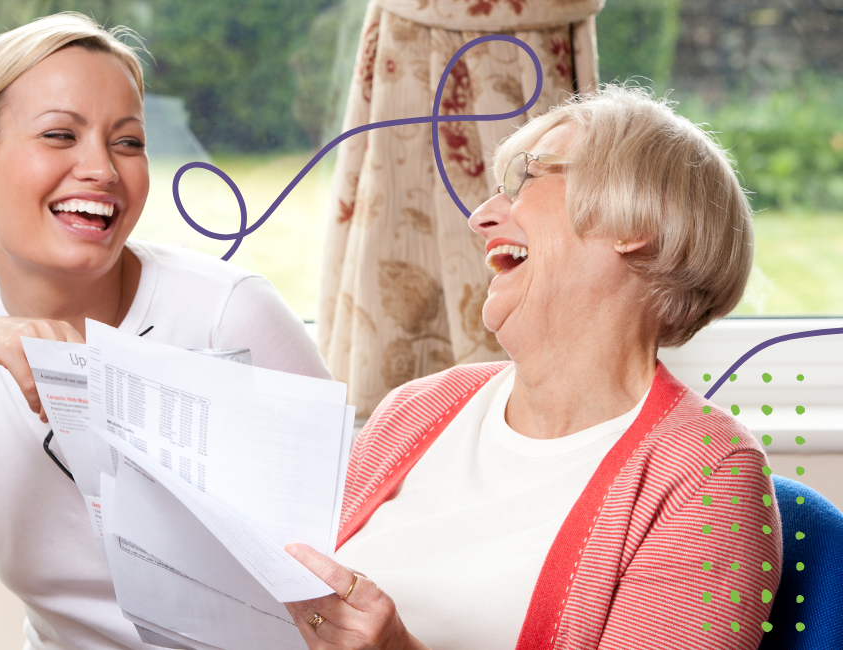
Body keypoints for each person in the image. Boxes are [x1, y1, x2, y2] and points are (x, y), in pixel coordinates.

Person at [0, 13, 330, 650]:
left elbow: (359, 550)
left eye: (127, 142)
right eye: (60, 135)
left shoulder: (227, 313)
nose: (102, 169)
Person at [282, 85, 781, 650]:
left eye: (525, 179)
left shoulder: (708, 480)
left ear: (635, 218)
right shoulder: (415, 408)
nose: (481, 218)